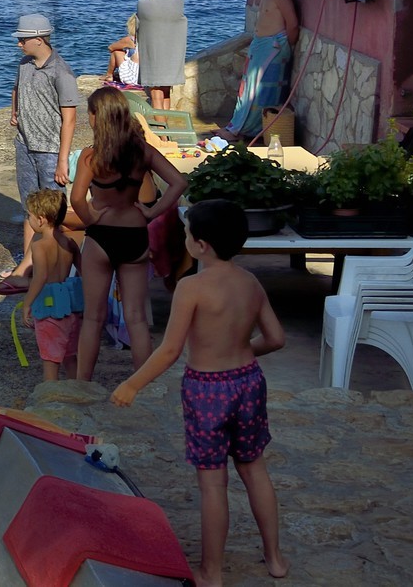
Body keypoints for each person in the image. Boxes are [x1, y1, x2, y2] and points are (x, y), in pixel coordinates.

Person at [111, 199, 289, 586]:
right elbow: (275, 338)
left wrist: (132, 384)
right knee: (254, 468)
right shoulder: (250, 283)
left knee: (213, 483)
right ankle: (275, 558)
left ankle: (211, 572)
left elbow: (171, 350)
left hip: (208, 391)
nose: (185, 237)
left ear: (201, 244)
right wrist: (241, 350)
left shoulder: (191, 287)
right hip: (248, 381)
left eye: (187, 232)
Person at [71, 86, 187, 381]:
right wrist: (152, 211)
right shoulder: (142, 152)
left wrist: (90, 217)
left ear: (97, 117)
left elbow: (76, 198)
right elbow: (178, 183)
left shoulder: (91, 157)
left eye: (90, 113)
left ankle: (83, 383)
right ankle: (142, 384)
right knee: (136, 318)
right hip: (135, 234)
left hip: (101, 237)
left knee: (93, 318)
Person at [219, 0, 299, 143]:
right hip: (262, 46)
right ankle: (239, 126)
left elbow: (293, 23)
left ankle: (247, 130)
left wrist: (286, 46)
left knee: (261, 90)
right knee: (248, 89)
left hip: (273, 47)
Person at [11, 14, 79, 203]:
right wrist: (14, 112)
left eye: (22, 40)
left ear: (39, 40)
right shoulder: (24, 64)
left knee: (53, 208)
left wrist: (62, 161)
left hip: (50, 150)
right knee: (28, 206)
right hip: (24, 144)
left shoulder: (61, 72)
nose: (19, 44)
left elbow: (70, 120)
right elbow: (16, 89)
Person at [18, 189, 83, 382]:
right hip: (71, 308)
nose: (29, 220)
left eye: (29, 216)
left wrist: (27, 303)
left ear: (41, 219)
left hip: (49, 309)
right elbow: (84, 271)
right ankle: (75, 391)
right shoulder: (69, 242)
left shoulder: (39, 246)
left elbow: (41, 277)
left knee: (50, 359)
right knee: (71, 356)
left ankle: (49, 399)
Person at [136, 0, 188, 110]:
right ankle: (165, 129)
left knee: (156, 95)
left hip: (153, 54)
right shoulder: (178, 0)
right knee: (165, 93)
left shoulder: (144, 2)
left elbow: (140, 26)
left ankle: (161, 132)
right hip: (172, 54)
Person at [107, 14, 140, 88]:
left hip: (133, 79)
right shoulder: (151, 40)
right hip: (149, 79)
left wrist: (125, 50)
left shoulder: (130, 40)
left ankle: (109, 75)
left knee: (116, 52)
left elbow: (111, 48)